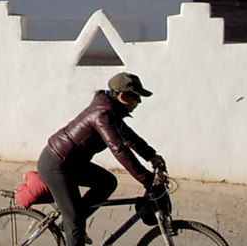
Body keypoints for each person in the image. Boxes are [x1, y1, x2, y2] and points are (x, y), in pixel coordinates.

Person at [36, 73, 166, 246]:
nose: (139, 102)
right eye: (137, 97)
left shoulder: (112, 110)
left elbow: (129, 137)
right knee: (75, 222)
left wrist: (152, 156)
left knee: (107, 182)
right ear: (123, 96)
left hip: (73, 164)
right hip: (57, 165)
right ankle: (72, 225)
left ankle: (70, 222)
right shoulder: (102, 114)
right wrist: (147, 179)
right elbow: (119, 149)